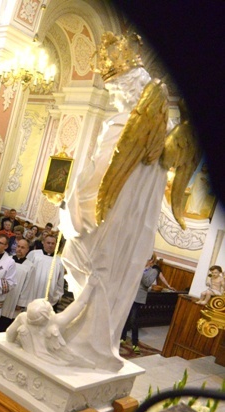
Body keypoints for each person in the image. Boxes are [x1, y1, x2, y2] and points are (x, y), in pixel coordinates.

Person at [49, 32, 199, 372]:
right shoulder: (163, 133)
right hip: (131, 228)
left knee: (80, 260)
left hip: (108, 220)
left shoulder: (125, 123)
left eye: (116, 89)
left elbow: (99, 175)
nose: (114, 97)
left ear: (130, 88)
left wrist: (72, 211)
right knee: (105, 277)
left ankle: (84, 341)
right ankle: (93, 339)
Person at [120, 255, 160, 354]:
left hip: (138, 298)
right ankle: (122, 338)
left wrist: (141, 271)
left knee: (133, 320)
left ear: (151, 261)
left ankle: (135, 343)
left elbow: (147, 283)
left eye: (146, 258)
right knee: (125, 317)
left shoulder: (153, 271)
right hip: (129, 295)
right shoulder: (137, 268)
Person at [16, 234, 65, 308]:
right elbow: (24, 272)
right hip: (30, 292)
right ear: (43, 242)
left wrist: (57, 296)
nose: (50, 245)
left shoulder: (59, 261)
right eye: (48, 243)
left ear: (56, 245)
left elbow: (60, 281)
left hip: (47, 296)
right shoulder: (34, 254)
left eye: (53, 243)